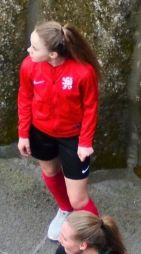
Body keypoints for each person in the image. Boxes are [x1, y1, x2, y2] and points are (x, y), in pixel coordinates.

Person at [17, 21, 101, 242]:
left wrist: (85, 142)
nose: (29, 50)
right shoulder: (29, 66)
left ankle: (99, 237)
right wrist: (23, 133)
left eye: (34, 48)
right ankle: (64, 210)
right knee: (50, 171)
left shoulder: (83, 72)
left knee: (79, 200)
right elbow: (25, 97)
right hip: (40, 132)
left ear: (53, 54)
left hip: (72, 138)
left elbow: (91, 107)